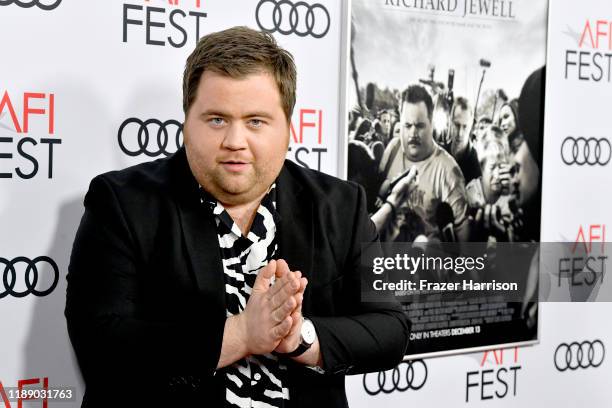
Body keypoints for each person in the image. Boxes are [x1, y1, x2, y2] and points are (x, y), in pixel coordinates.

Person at [65, 27, 409, 407]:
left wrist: (299, 338)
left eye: (256, 121)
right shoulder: (122, 203)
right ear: (186, 121)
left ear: (288, 129)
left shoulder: (342, 205)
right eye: (216, 119)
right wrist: (241, 335)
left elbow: (390, 328)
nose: (235, 141)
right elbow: (98, 341)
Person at [378, 84, 469, 242]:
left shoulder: (449, 171)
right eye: (407, 125)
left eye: (419, 126)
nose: (413, 133)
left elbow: (465, 241)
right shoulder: (392, 150)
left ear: (431, 124)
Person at [448, 97, 481, 184]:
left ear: (471, 126)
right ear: (450, 122)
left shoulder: (476, 165)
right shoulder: (440, 152)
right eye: (457, 125)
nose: (460, 133)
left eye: (465, 126)